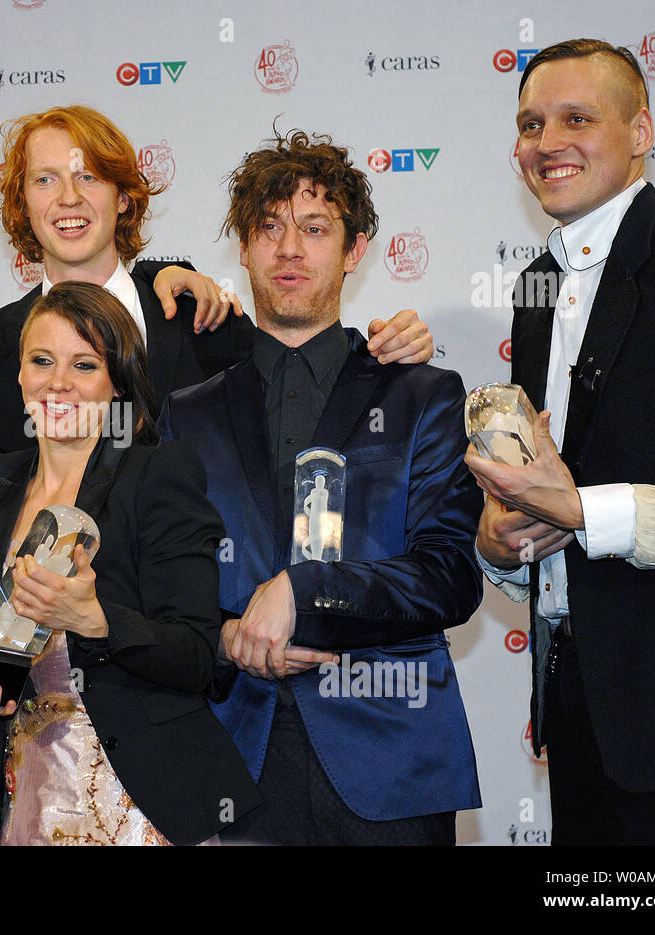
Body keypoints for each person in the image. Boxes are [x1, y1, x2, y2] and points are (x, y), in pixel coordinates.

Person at [159, 130, 483, 845]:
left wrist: (306, 591)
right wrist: (220, 636)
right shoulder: (188, 412)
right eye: (268, 228)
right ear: (241, 249)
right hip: (233, 762)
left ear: (355, 248)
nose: (290, 250)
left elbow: (452, 575)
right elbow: (163, 588)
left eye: (315, 228)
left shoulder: (423, 394)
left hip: (391, 761)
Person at [466, 39, 655, 844]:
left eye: (576, 118)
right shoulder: (538, 290)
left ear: (641, 130)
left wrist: (582, 509)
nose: (546, 144)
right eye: (530, 124)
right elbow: (541, 494)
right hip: (574, 704)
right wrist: (500, 539)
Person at [0, 281, 261, 845]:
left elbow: (195, 655)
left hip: (139, 801)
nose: (57, 383)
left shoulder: (157, 475)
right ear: (19, 375)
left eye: (84, 365)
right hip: (29, 797)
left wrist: (96, 620)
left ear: (117, 385)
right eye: (41, 361)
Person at [0, 104, 434, 454]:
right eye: (44, 179)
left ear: (124, 197)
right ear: (23, 203)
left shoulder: (204, 322)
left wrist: (391, 352)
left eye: (88, 176)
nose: (68, 198)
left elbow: (303, 372)